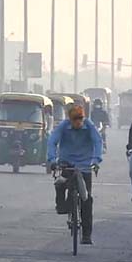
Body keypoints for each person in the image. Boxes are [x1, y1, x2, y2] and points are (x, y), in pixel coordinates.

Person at [47, 104, 103, 245]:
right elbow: (52, 142)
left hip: (84, 167)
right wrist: (52, 160)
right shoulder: (63, 126)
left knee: (87, 200)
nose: (78, 122)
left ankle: (86, 235)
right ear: (70, 119)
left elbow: (98, 141)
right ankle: (61, 205)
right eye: (75, 119)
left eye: (80, 118)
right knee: (60, 183)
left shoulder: (89, 126)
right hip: (68, 164)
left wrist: (96, 160)